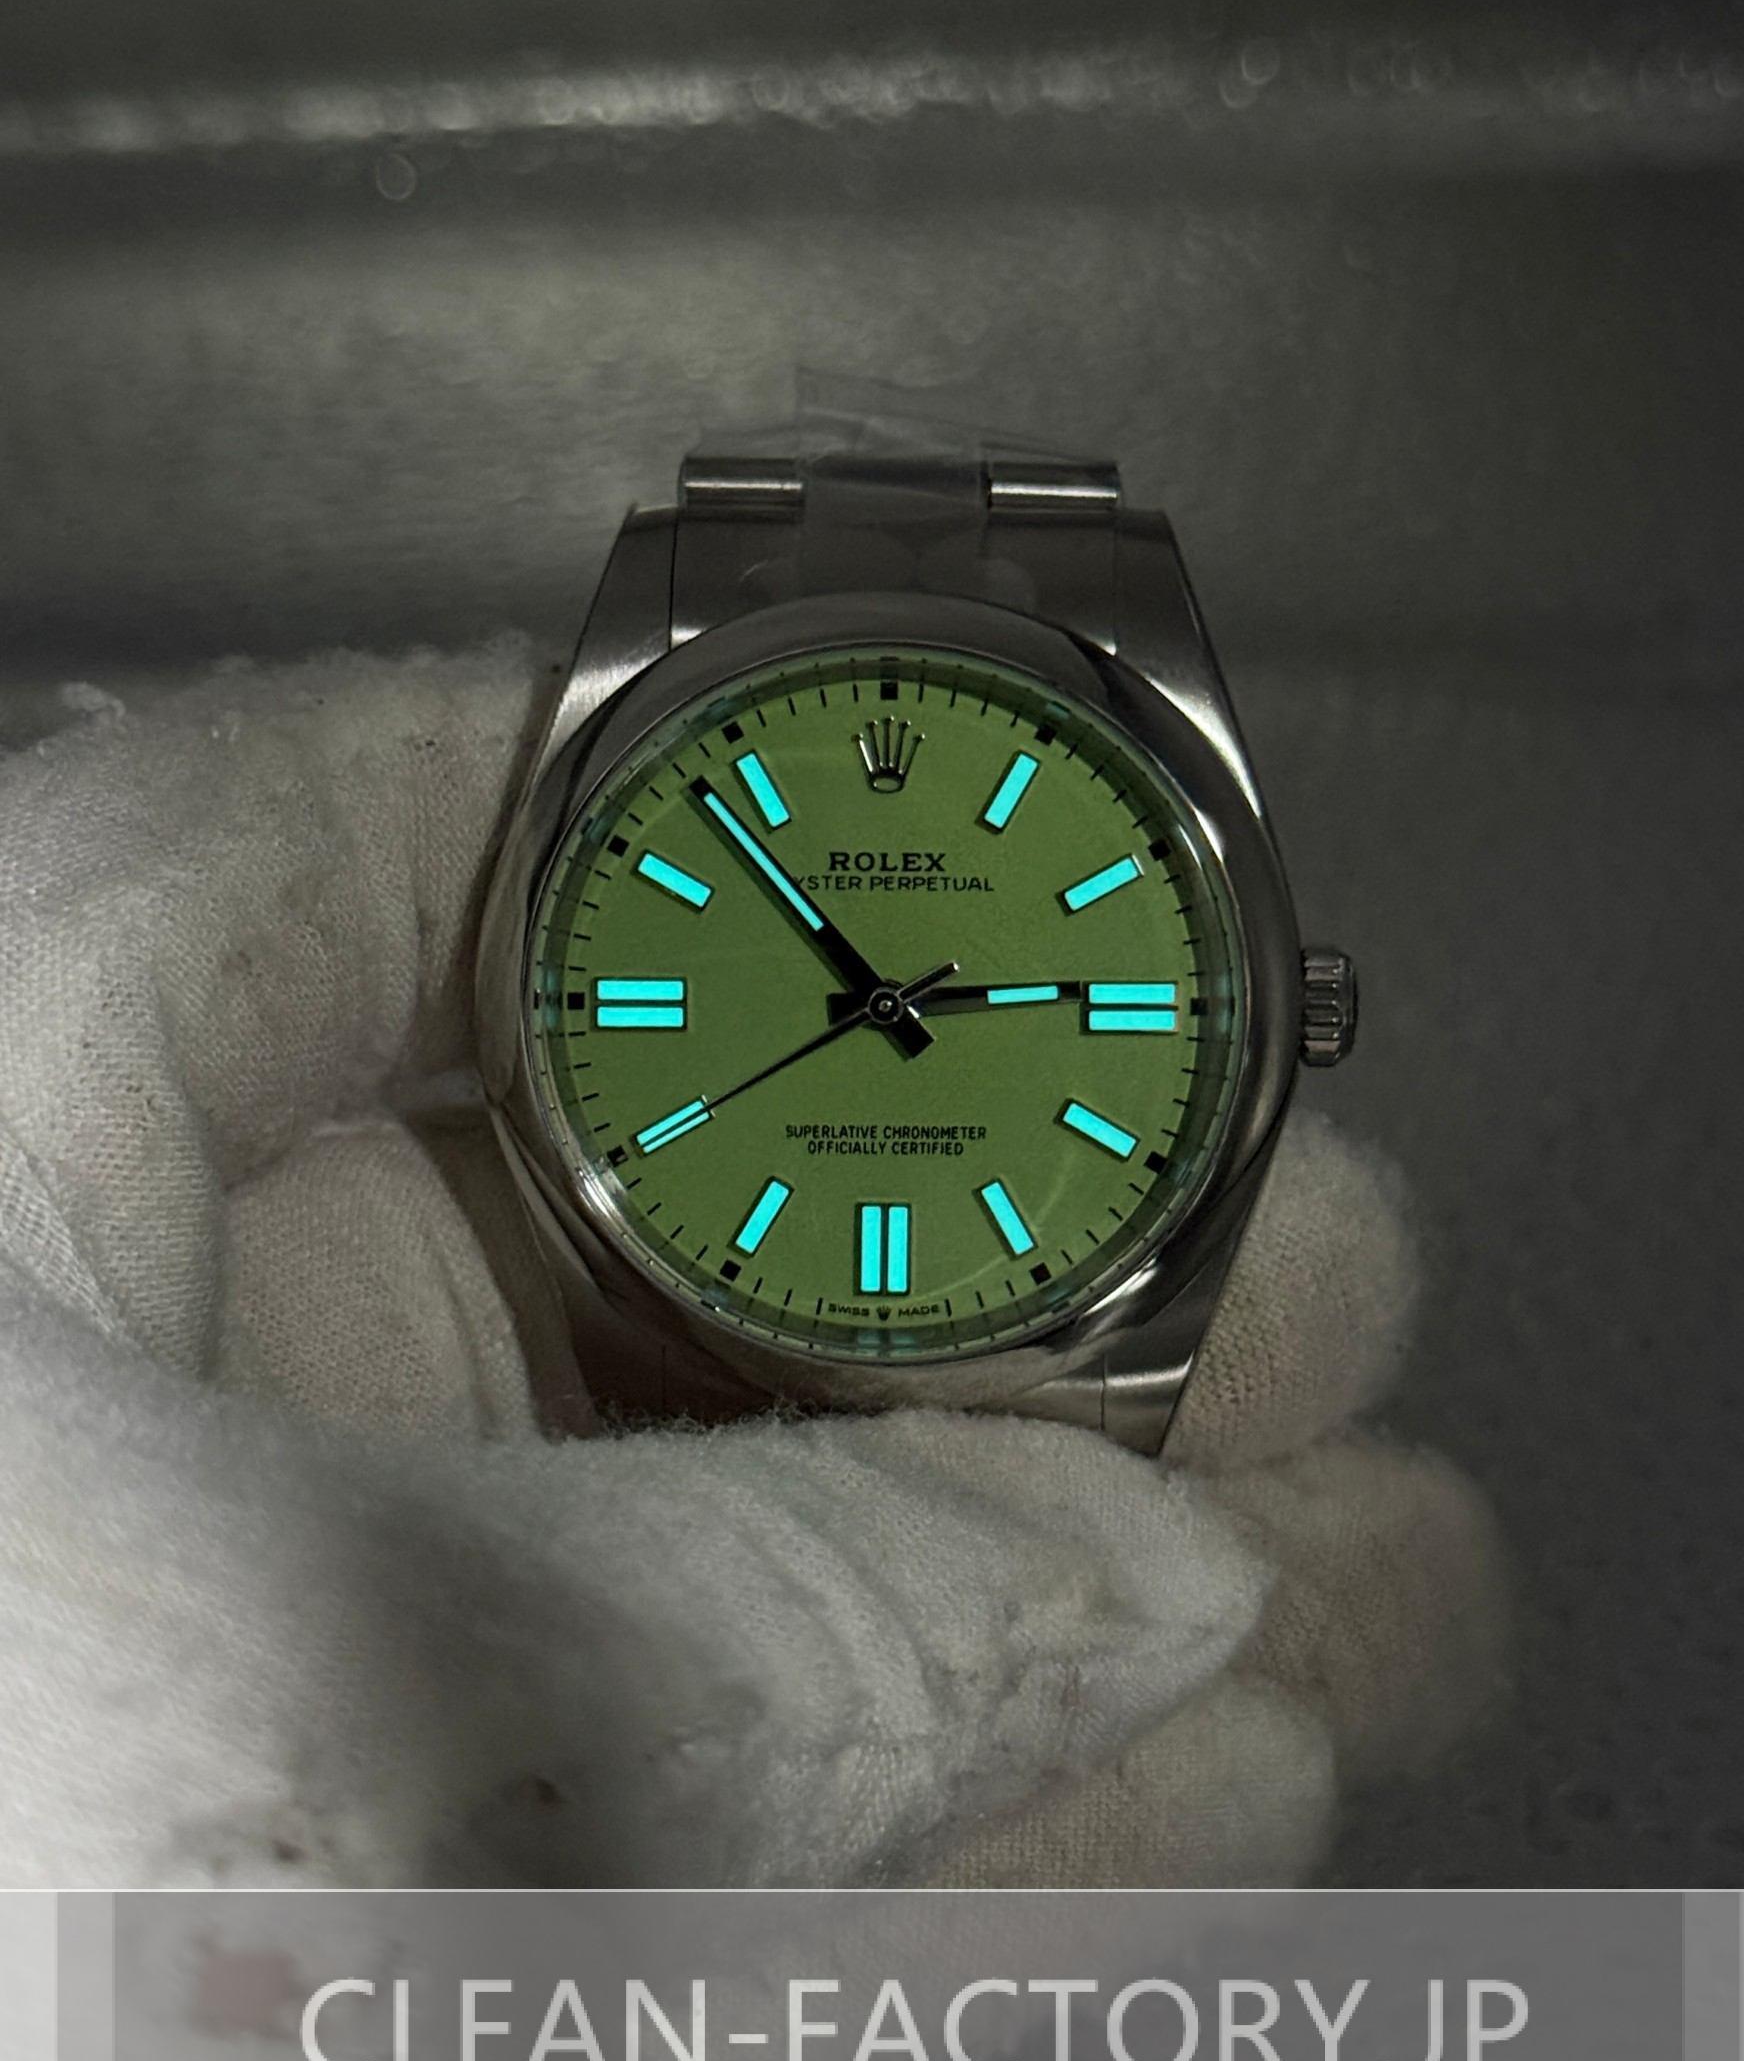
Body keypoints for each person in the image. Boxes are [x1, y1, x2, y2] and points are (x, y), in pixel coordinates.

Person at [0, 646, 1505, 1888]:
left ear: (1284, 1006)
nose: (885, 1012)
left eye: (898, 1007)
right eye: (871, 1002)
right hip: (647, 1265)